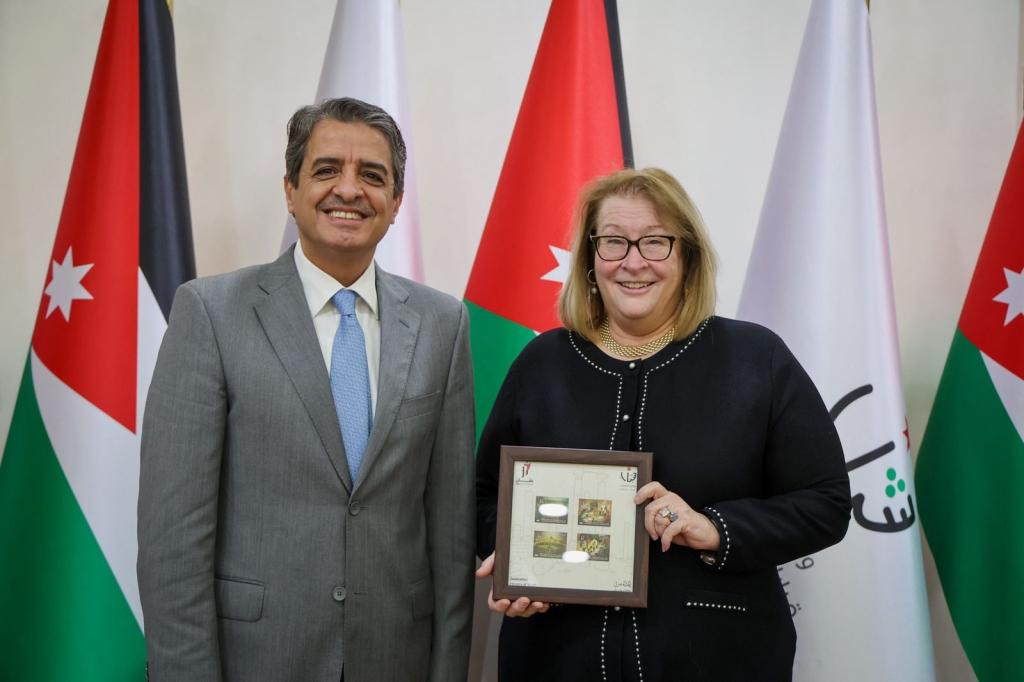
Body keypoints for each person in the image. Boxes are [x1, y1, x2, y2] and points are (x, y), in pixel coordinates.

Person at [138, 98, 475, 681]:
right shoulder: (211, 313)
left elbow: (449, 537)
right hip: (256, 661)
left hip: (396, 660)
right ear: (291, 191)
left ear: (396, 203)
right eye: (326, 170)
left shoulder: (443, 324)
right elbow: (174, 544)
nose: (349, 189)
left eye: (373, 176)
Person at [475, 168, 852, 681]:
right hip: (556, 657)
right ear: (590, 261)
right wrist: (520, 563)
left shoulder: (755, 359)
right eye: (613, 243)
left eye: (655, 242)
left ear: (687, 258)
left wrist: (714, 527)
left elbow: (825, 503)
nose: (633, 262)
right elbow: (486, 494)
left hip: (718, 659)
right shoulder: (542, 363)